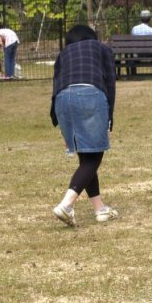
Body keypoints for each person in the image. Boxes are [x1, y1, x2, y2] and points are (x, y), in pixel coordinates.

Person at [50, 25, 118, 226]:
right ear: (92, 37)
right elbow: (110, 83)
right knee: (94, 156)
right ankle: (66, 205)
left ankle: (100, 209)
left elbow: (55, 86)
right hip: (90, 94)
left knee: (86, 156)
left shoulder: (63, 55)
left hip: (62, 100)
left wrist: (57, 120)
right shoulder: (102, 48)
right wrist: (109, 117)